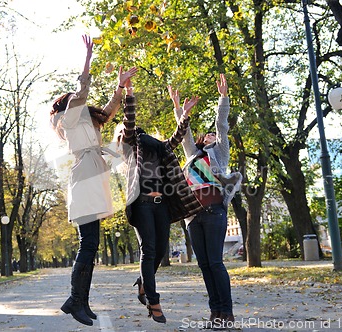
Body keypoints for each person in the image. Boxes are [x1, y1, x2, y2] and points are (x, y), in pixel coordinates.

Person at [50, 35, 137, 326]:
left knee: (91, 244)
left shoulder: (86, 120)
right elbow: (82, 92)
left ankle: (79, 301)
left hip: (93, 174)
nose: (81, 103)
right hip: (85, 177)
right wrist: (87, 59)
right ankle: (76, 300)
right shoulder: (69, 119)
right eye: (73, 101)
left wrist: (121, 87)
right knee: (87, 244)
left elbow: (110, 111)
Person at [116, 78, 202, 324]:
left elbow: (175, 139)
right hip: (142, 203)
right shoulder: (132, 142)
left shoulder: (159, 146)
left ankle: (143, 283)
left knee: (161, 248)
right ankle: (154, 301)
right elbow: (129, 121)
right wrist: (129, 92)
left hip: (162, 204)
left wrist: (184, 116)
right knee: (149, 249)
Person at [168, 74, 242, 329]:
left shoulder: (219, 153)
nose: (212, 135)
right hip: (192, 216)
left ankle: (227, 312)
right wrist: (179, 108)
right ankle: (215, 313)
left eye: (213, 135)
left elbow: (222, 126)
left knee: (215, 262)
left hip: (213, 212)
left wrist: (223, 98)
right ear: (202, 140)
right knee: (204, 265)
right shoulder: (191, 155)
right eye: (208, 134)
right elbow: (184, 133)